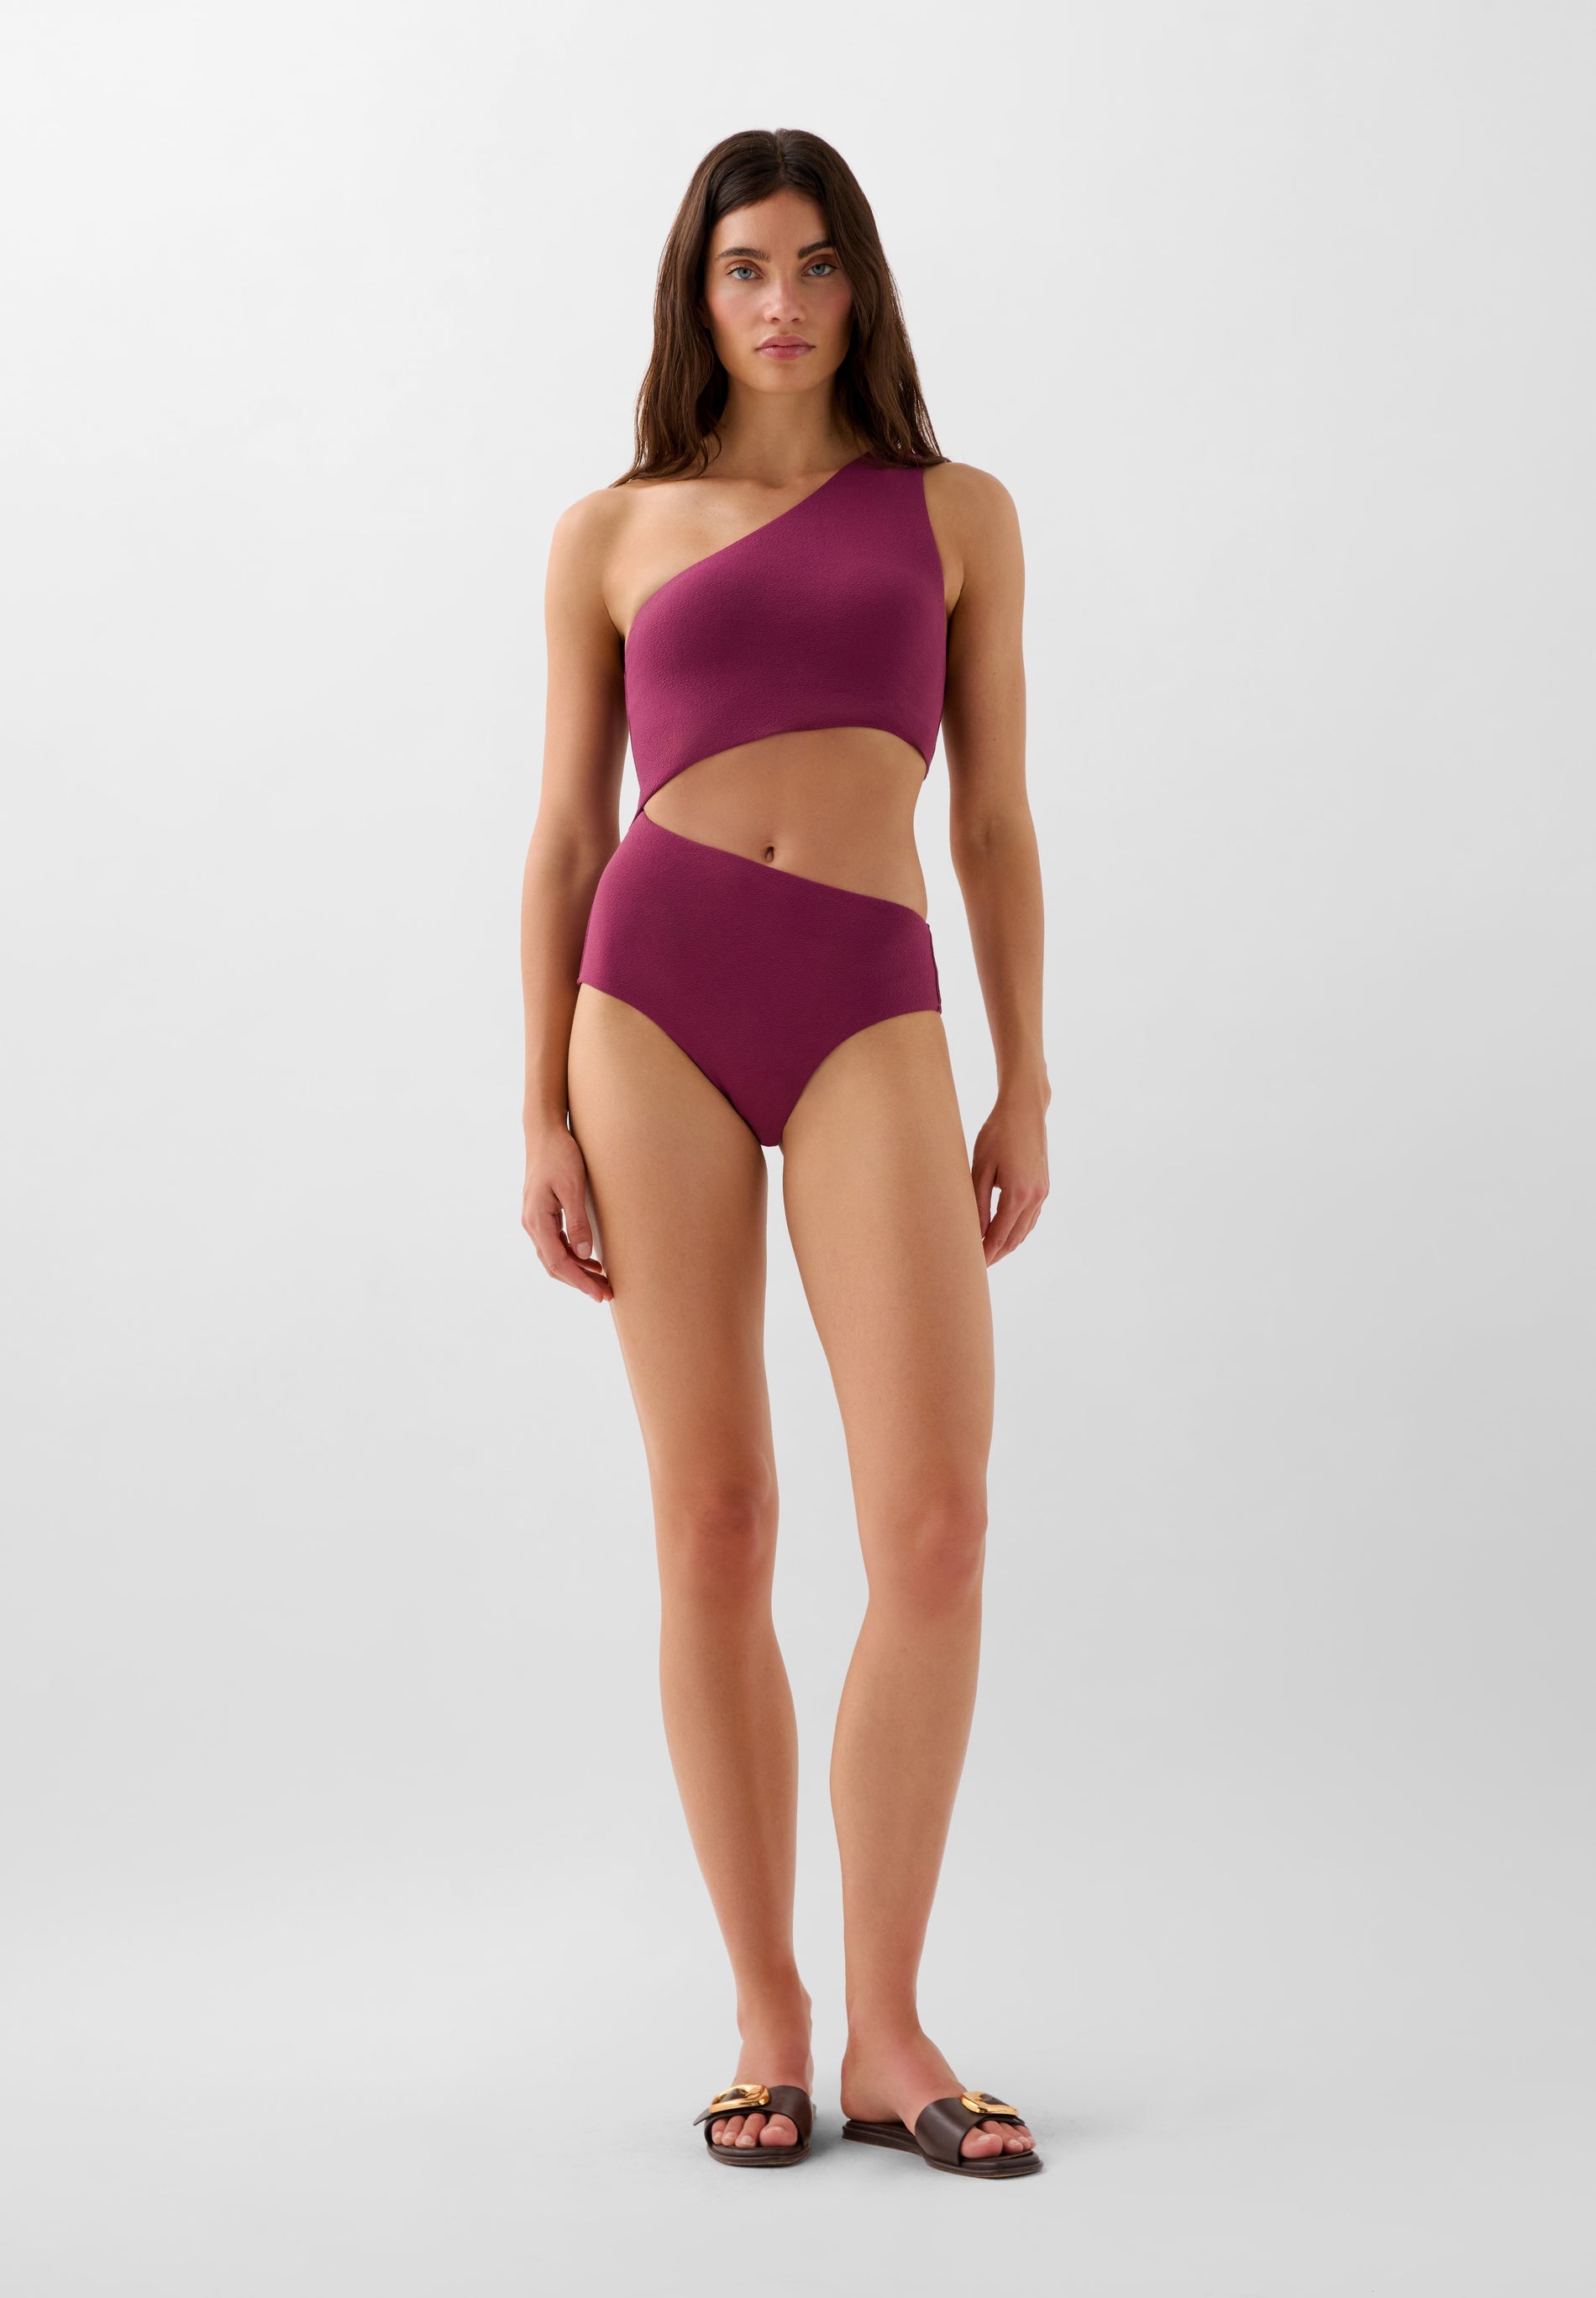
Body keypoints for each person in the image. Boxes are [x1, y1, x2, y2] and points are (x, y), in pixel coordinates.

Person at [519, 127, 1050, 2180]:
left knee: (933, 1525)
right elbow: (565, 838)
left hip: (867, 1003)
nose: (782, 302)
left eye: (816, 264)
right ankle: (767, 2013)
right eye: (744, 266)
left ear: (860, 287)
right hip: (645, 1003)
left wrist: (1024, 1080)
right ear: (697, 294)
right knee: (717, 1519)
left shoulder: (955, 515)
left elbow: (988, 821)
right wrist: (536, 1107)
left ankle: (893, 2031)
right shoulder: (607, 535)